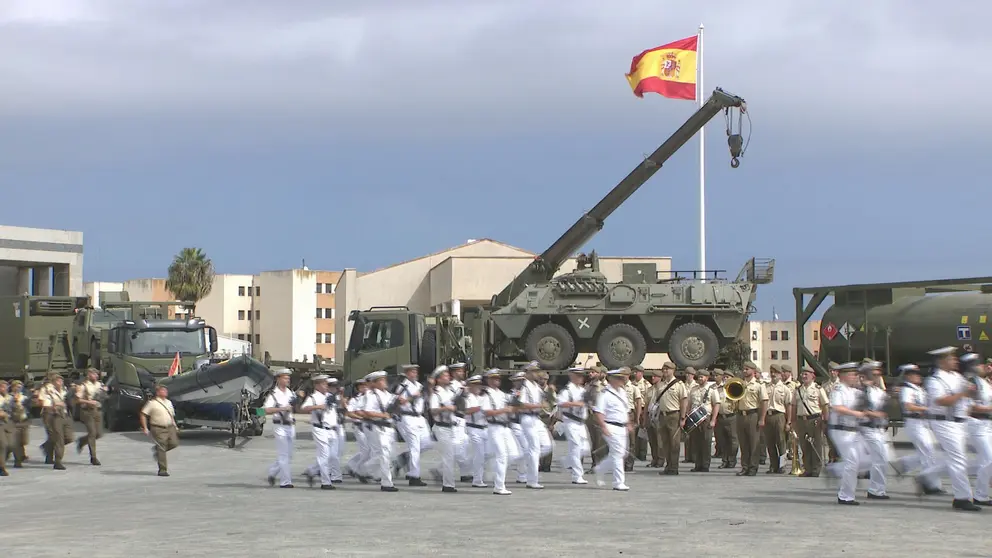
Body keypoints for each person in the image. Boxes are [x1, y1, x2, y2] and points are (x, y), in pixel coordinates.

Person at [918, 346, 981, 511]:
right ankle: (962, 498)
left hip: (962, 421)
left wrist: (972, 390)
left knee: (970, 457)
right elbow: (941, 401)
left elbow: (969, 396)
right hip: (944, 422)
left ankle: (928, 475)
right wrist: (963, 393)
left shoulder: (957, 377)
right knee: (958, 459)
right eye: (951, 358)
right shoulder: (934, 380)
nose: (955, 361)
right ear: (941, 361)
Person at [892, 364, 941, 490]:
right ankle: (930, 485)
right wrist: (926, 409)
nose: (919, 376)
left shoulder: (919, 389)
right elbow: (908, 406)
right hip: (914, 422)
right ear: (908, 376)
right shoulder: (907, 389)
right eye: (915, 374)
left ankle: (904, 464)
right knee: (927, 451)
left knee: (928, 451)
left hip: (923, 423)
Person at [825, 362, 865, 504]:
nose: (855, 377)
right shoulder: (838, 390)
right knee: (852, 462)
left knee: (862, 461)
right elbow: (838, 408)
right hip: (840, 430)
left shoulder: (855, 391)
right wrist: (856, 413)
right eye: (852, 375)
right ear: (843, 376)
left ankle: (835, 470)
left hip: (853, 431)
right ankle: (845, 496)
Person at [856, 361, 896, 499]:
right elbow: (862, 410)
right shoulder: (862, 391)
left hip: (880, 430)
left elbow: (887, 408)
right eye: (874, 373)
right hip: (868, 428)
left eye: (878, 373)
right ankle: (876, 490)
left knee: (881, 459)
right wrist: (877, 414)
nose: (878, 376)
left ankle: (878, 489)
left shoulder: (878, 391)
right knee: (879, 458)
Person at [392, 364, 431, 486]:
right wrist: (413, 396)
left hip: (420, 417)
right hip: (407, 417)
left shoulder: (419, 385)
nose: (415, 374)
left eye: (416, 372)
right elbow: (399, 402)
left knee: (428, 443)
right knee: (415, 447)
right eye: (412, 372)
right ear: (407, 373)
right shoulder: (402, 386)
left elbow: (425, 399)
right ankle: (414, 476)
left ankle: (403, 458)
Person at [593, 368, 632, 491]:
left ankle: (600, 468)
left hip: (622, 427)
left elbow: (625, 410)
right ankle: (618, 482)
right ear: (612, 379)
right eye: (619, 378)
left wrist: (628, 423)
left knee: (621, 453)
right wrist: (603, 427)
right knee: (618, 454)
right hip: (610, 426)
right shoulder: (604, 394)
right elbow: (599, 412)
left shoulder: (622, 392)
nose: (622, 380)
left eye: (622, 378)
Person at [361, 370, 399, 492]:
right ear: (375, 383)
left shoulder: (388, 395)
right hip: (379, 428)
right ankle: (387, 483)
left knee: (390, 455)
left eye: (384, 379)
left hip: (390, 428)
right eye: (381, 380)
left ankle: (363, 469)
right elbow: (367, 412)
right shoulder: (372, 395)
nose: (385, 382)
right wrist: (383, 415)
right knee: (384, 456)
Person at [300, 375, 339, 490]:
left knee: (332, 455)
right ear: (317, 385)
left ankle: (312, 471)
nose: (326, 386)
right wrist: (318, 406)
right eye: (323, 384)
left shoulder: (329, 396)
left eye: (326, 384)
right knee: (324, 455)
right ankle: (326, 482)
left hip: (332, 429)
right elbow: (303, 408)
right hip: (320, 428)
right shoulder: (313, 397)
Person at [788, 366, 828, 477]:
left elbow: (825, 405)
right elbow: (794, 406)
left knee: (815, 444)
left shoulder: (818, 389)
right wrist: (793, 421)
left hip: (814, 419)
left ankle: (816, 469)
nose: (804, 376)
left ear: (812, 376)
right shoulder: (798, 390)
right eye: (803, 374)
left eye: (806, 374)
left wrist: (825, 420)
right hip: (801, 420)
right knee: (804, 445)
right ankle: (807, 468)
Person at [480, 368, 515, 495]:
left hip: (505, 426)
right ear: (488, 380)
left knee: (513, 453)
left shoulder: (502, 394)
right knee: (502, 455)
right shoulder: (486, 395)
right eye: (494, 378)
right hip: (494, 426)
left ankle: (492, 471)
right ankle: (499, 486)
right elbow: (486, 412)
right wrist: (503, 410)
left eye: (498, 378)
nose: (497, 380)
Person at [651, 362, 688, 476]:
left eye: (667, 369)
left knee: (674, 443)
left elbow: (683, 401)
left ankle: (674, 467)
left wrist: (683, 417)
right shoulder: (661, 384)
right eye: (664, 369)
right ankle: (668, 465)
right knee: (665, 443)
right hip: (662, 415)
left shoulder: (679, 384)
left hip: (674, 415)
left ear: (673, 370)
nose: (665, 371)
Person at [557, 367, 591, 484]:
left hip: (581, 423)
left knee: (585, 448)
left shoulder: (582, 390)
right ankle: (577, 476)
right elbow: (561, 403)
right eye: (578, 376)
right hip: (571, 421)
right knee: (576, 447)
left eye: (582, 376)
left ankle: (567, 461)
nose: (581, 378)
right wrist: (576, 404)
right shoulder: (567, 390)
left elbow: (586, 403)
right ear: (572, 376)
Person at [263, 369, 297, 488]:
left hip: (290, 425)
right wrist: (282, 409)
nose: (288, 380)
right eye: (285, 378)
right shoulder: (273, 394)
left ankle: (273, 472)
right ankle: (286, 481)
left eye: (288, 378)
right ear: (278, 379)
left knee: (289, 455)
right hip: (279, 426)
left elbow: (294, 408)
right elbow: (266, 410)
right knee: (283, 455)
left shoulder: (291, 393)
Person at [735, 361, 769, 477]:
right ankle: (745, 467)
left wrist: (762, 418)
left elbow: (764, 402)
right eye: (744, 369)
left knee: (754, 443)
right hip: (740, 415)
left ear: (753, 371)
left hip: (752, 414)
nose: (744, 371)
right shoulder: (740, 384)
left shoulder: (759, 385)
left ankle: (753, 467)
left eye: (747, 369)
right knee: (743, 443)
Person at [429, 365, 459, 493]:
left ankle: (443, 475)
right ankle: (448, 485)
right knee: (448, 456)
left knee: (456, 454)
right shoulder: (436, 394)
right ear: (439, 379)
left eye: (448, 375)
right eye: (445, 376)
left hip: (452, 426)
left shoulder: (451, 391)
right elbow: (433, 410)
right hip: (442, 427)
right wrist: (446, 408)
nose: (448, 377)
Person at [139, 383, 179, 477]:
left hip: (170, 427)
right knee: (162, 447)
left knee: (174, 443)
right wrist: (145, 427)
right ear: (158, 392)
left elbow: (171, 415)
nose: (165, 392)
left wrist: (175, 425)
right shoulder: (152, 403)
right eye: (163, 390)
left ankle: (158, 450)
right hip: (158, 428)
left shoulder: (169, 402)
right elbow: (143, 414)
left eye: (166, 390)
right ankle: (162, 470)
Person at [686, 369, 721, 472]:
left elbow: (716, 405)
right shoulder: (693, 389)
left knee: (706, 442)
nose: (700, 378)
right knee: (696, 442)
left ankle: (705, 465)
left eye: (702, 377)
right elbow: (689, 404)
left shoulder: (712, 390)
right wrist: (687, 416)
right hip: (695, 419)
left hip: (706, 418)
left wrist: (713, 420)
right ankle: (698, 464)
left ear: (707, 378)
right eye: (699, 377)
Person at [40, 374, 74, 471]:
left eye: (61, 380)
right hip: (54, 416)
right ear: (53, 382)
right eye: (58, 381)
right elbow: (45, 404)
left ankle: (48, 446)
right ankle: (58, 461)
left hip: (66, 415)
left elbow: (71, 401)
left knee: (69, 438)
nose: (60, 382)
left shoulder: (65, 390)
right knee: (59, 439)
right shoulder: (48, 391)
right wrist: (56, 404)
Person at [75, 368, 107, 466]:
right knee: (92, 433)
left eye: (97, 374)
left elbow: (104, 397)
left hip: (98, 411)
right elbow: (77, 400)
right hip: (87, 411)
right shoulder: (83, 385)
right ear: (89, 375)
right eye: (94, 374)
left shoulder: (99, 384)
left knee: (99, 434)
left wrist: (105, 391)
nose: (96, 376)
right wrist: (89, 402)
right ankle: (93, 457)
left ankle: (82, 441)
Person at [765, 366, 792, 474]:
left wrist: (788, 421)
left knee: (781, 442)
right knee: (770, 442)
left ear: (781, 375)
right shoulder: (766, 387)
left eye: (776, 372)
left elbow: (788, 406)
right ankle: (773, 465)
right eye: (771, 372)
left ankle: (782, 465)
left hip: (779, 415)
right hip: (768, 415)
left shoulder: (785, 389)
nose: (773, 375)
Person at [344, 378, 371, 479]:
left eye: (366, 385)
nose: (364, 388)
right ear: (358, 388)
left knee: (370, 450)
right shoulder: (355, 400)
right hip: (360, 427)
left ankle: (352, 465)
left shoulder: (372, 398)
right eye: (362, 386)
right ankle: (358, 470)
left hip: (370, 427)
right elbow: (349, 413)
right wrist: (362, 418)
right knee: (366, 451)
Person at [6, 380, 30, 468]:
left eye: (20, 386)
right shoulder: (9, 397)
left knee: (23, 441)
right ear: (12, 387)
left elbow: (29, 407)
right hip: (13, 422)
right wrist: (14, 401)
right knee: (16, 442)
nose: (19, 388)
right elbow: (7, 408)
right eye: (17, 386)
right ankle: (17, 461)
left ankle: (8, 452)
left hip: (24, 421)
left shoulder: (24, 397)